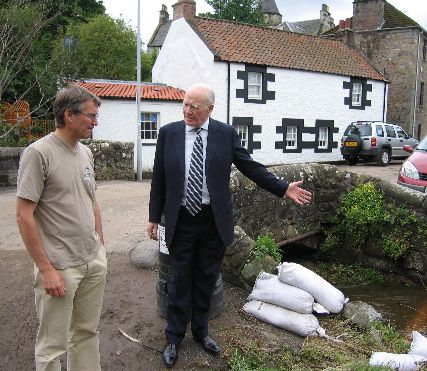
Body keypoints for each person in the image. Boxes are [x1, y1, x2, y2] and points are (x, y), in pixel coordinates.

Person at [147, 83, 312, 368]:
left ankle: (201, 332)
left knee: (206, 278)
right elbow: (159, 178)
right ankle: (173, 337)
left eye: (194, 107)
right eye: (185, 104)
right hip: (181, 219)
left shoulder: (225, 134)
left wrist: (283, 188)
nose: (187, 111)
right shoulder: (168, 134)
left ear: (209, 110)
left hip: (213, 220)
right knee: (179, 279)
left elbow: (250, 166)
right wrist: (153, 217)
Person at [16, 85, 107, 371]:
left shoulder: (85, 153)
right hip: (60, 267)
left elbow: (92, 200)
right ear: (69, 115)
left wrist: (100, 248)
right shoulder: (38, 153)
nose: (95, 122)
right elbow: (23, 216)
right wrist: (46, 270)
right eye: (91, 116)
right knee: (52, 345)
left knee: (86, 333)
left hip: (91, 261)